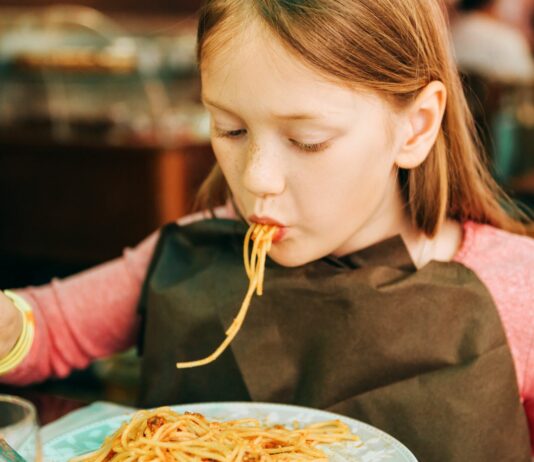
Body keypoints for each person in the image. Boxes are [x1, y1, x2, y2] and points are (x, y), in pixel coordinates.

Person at [0, 0, 533, 460]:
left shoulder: (515, 288)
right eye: (229, 129)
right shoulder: (196, 249)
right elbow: (46, 328)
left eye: (307, 139)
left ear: (415, 127)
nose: (256, 178)